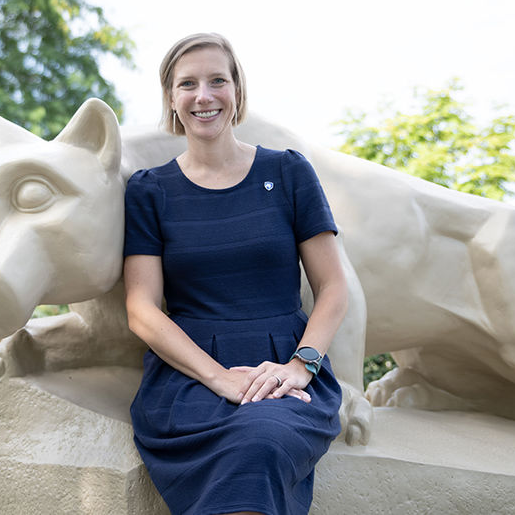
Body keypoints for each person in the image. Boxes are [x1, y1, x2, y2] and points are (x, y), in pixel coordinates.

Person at [123, 32, 348, 515]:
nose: (203, 96)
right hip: (188, 376)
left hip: (282, 367)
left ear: (237, 91)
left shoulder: (288, 172)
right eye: (188, 84)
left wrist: (301, 366)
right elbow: (141, 309)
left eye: (216, 81)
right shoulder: (148, 191)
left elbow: (332, 286)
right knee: (243, 458)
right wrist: (220, 379)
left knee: (262, 443)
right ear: (171, 99)